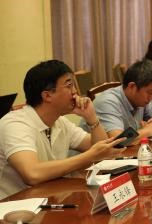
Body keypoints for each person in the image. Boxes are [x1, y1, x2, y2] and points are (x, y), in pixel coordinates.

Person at [0, 60, 122, 199]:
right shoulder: (15, 124)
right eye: (69, 86)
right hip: (12, 206)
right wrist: (90, 156)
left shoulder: (60, 122)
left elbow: (103, 151)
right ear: (47, 95)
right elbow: (32, 174)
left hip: (49, 199)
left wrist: (91, 118)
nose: (75, 92)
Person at [91, 60, 152, 142]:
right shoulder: (108, 102)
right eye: (150, 92)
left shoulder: (142, 100)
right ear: (132, 86)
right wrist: (147, 131)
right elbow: (118, 140)